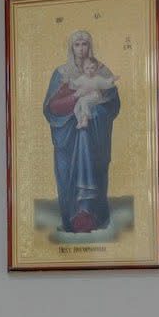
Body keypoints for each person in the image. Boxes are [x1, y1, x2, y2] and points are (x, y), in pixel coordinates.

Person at [43, 29, 121, 234]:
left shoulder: (101, 70)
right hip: (68, 138)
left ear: (90, 46)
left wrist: (95, 111)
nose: (81, 49)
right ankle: (72, 217)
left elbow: (113, 104)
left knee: (93, 165)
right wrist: (74, 99)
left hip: (94, 135)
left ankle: (92, 215)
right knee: (67, 173)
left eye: (84, 44)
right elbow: (51, 108)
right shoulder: (62, 73)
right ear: (71, 47)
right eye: (77, 44)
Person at [70, 55, 118, 130]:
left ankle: (85, 119)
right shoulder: (82, 78)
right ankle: (79, 121)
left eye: (92, 68)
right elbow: (75, 83)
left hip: (95, 96)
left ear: (96, 68)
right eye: (87, 68)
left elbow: (106, 83)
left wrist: (112, 79)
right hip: (84, 96)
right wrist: (71, 81)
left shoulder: (97, 78)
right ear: (83, 69)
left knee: (84, 102)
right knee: (76, 109)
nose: (89, 71)